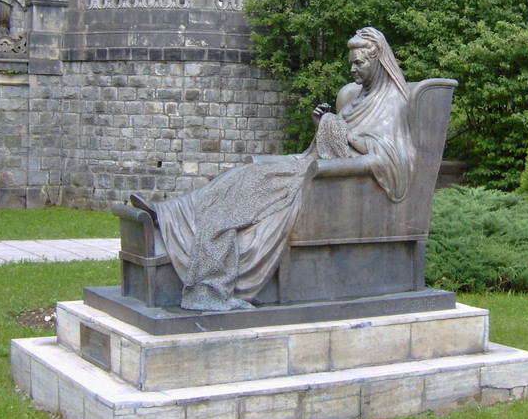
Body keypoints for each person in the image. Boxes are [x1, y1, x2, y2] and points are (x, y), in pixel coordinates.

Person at [130, 27, 414, 311]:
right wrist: (324, 125)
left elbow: (391, 158)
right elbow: (334, 141)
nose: (353, 68)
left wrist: (342, 133)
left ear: (377, 61)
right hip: (315, 163)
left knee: (254, 197)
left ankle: (206, 262)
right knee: (243, 175)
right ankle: (173, 213)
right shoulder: (354, 96)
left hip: (333, 179)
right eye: (351, 62)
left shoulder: (393, 101)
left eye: (359, 63)